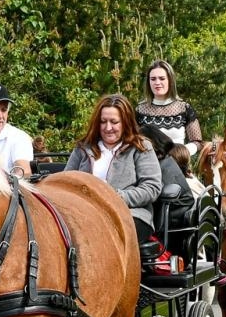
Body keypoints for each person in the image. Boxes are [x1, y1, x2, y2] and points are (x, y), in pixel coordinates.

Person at [64, 93, 174, 273]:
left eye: (114, 122)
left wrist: (115, 197)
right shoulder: (83, 147)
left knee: (101, 233)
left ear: (125, 122)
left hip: (130, 214)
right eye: (103, 122)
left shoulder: (141, 147)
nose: (108, 128)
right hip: (83, 213)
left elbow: (152, 188)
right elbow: (66, 181)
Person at [135, 59, 202, 147]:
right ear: (148, 82)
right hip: (149, 160)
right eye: (153, 79)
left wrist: (183, 151)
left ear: (170, 80)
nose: (157, 83)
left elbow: (198, 142)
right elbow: (133, 141)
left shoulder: (184, 108)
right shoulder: (140, 110)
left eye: (162, 78)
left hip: (178, 159)